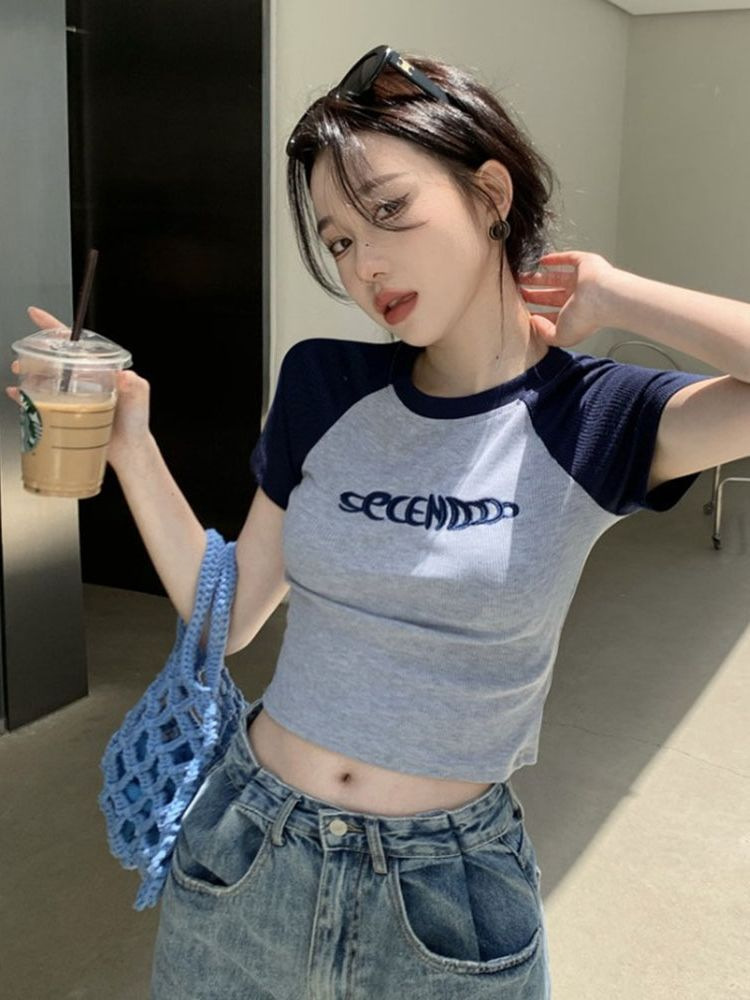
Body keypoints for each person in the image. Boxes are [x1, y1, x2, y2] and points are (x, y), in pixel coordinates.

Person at [12, 44, 739, 1000]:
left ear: (490, 193)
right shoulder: (327, 382)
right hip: (247, 847)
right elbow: (229, 614)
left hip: (446, 895)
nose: (367, 266)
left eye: (389, 212)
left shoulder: (592, 416)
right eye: (340, 242)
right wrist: (129, 446)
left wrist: (614, 293)